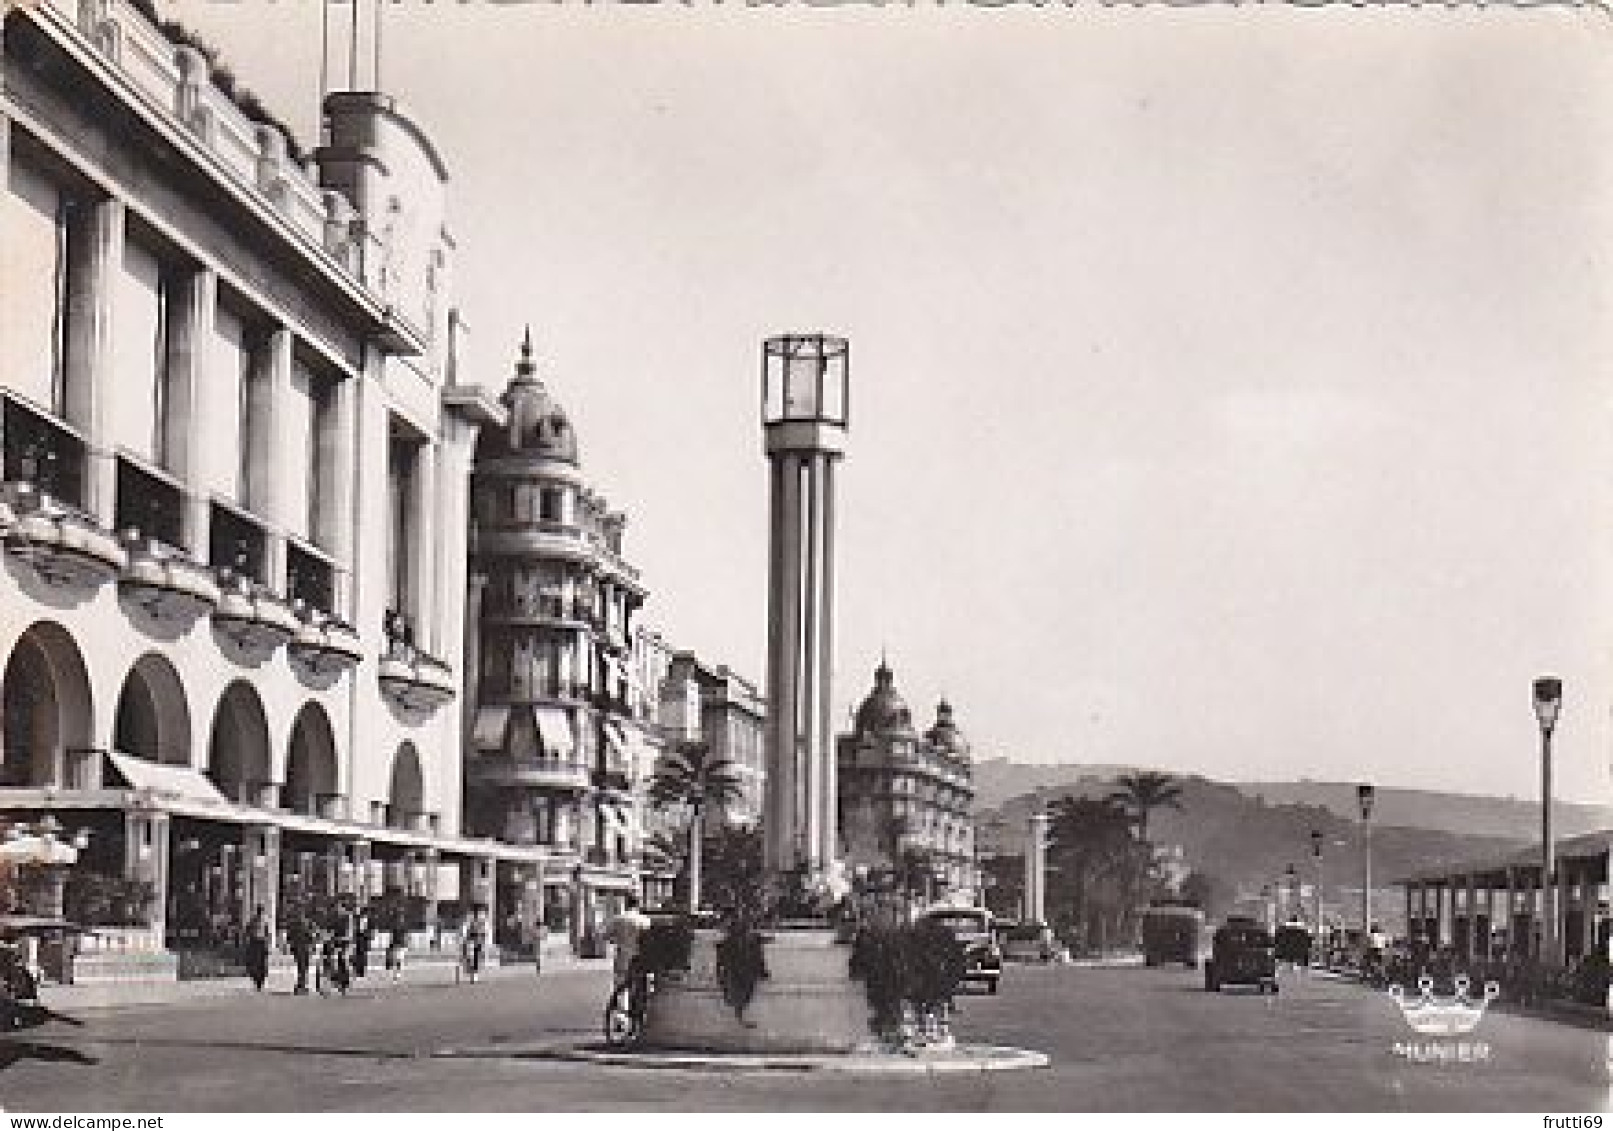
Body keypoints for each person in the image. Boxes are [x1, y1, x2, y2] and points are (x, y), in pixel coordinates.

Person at [604, 895, 652, 1019]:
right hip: (640, 959)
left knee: (621, 987)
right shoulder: (645, 920)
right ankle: (638, 1015)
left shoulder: (619, 919)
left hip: (622, 958)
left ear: (626, 904)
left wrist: (617, 940)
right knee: (639, 988)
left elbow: (607, 936)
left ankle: (620, 1018)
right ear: (638, 905)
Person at [242, 906, 271, 992]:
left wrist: (267, 944)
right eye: (260, 912)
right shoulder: (253, 921)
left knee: (262, 963)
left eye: (261, 912)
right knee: (255, 963)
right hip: (255, 943)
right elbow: (247, 932)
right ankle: (257, 981)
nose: (260, 914)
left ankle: (260, 982)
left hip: (261, 943)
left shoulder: (265, 922)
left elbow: (268, 934)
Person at [287, 912, 315, 996]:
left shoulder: (294, 926)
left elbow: (289, 938)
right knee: (303, 967)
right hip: (303, 949)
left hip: (300, 949)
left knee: (301, 967)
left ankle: (301, 985)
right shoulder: (306, 926)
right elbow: (311, 937)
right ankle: (302, 985)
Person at [352, 908, 373, 980]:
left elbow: (370, 932)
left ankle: (362, 972)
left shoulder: (369, 921)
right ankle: (357, 971)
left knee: (363, 956)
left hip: (364, 939)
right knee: (358, 956)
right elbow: (354, 930)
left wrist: (369, 939)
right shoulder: (357, 920)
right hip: (358, 939)